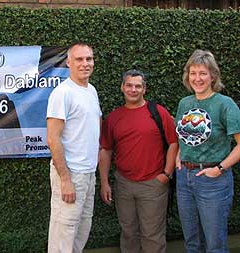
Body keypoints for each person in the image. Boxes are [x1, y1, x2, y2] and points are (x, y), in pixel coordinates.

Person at [99, 69, 178, 253]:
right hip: (124, 184)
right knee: (128, 233)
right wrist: (104, 183)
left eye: (138, 86)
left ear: (144, 89)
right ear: (122, 87)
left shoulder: (158, 112)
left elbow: (173, 143)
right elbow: (106, 150)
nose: (133, 89)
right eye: (129, 85)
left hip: (153, 184)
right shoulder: (113, 118)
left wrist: (166, 174)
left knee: (152, 235)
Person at [175, 49, 240, 253]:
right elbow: (183, 136)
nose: (197, 78)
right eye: (193, 73)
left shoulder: (225, 104)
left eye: (203, 73)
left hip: (213, 181)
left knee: (214, 245)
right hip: (184, 179)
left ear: (213, 75)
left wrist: (219, 169)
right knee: (192, 241)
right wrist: (179, 156)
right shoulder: (184, 103)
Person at [46, 42, 102, 253]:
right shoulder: (62, 93)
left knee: (81, 230)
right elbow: (53, 138)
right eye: (79, 59)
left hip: (88, 173)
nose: (85, 64)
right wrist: (66, 180)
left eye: (89, 59)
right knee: (64, 234)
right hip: (71, 175)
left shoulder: (91, 91)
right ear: (68, 62)